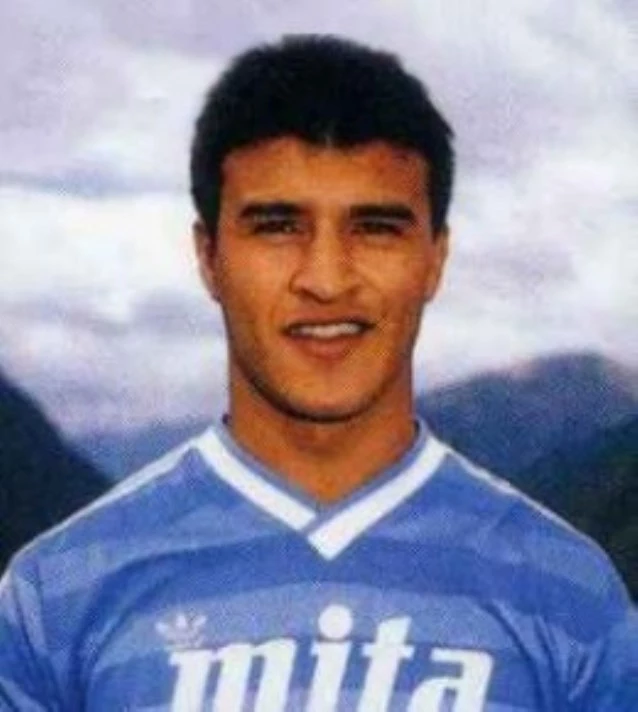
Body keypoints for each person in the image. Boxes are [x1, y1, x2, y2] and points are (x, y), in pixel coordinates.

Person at [0, 35, 636, 711]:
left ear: (435, 259)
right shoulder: (54, 599)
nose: (327, 279)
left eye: (376, 228)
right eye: (278, 226)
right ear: (209, 257)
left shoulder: (572, 597)